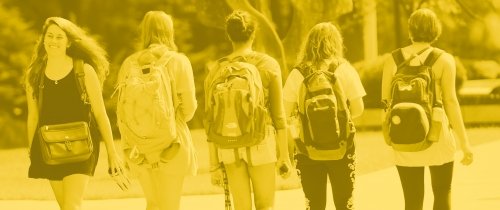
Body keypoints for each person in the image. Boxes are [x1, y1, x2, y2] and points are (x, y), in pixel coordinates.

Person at [24, 17, 125, 210]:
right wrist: (33, 151)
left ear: (69, 42)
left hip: (82, 148)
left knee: (71, 206)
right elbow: (33, 116)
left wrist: (112, 152)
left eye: (59, 37)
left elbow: (100, 114)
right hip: (50, 148)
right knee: (65, 207)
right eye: (50, 36)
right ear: (43, 39)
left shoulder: (84, 70)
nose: (53, 41)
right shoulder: (34, 74)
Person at [381, 8, 474, 210]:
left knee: (412, 200)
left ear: (410, 30)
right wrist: (464, 143)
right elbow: (450, 101)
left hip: (404, 136)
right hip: (437, 136)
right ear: (435, 30)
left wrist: (390, 135)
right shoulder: (444, 59)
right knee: (442, 193)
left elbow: (386, 102)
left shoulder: (393, 59)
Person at [205, 10, 292, 210]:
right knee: (265, 206)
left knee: (241, 207)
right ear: (254, 34)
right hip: (261, 140)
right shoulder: (268, 64)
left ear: (229, 35)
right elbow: (279, 116)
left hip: (228, 143)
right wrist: (284, 155)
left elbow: (210, 120)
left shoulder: (216, 70)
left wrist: (213, 164)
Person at [116, 11, 198, 210]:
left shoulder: (129, 63)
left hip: (139, 146)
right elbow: (189, 109)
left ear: (144, 32)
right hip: (172, 143)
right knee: (170, 206)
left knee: (153, 205)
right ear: (169, 32)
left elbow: (122, 110)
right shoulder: (179, 61)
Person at [283, 22, 366, 210]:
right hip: (342, 147)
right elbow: (359, 108)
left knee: (314, 204)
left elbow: (285, 113)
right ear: (336, 43)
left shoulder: (298, 73)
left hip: (307, 149)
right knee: (344, 203)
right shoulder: (344, 69)